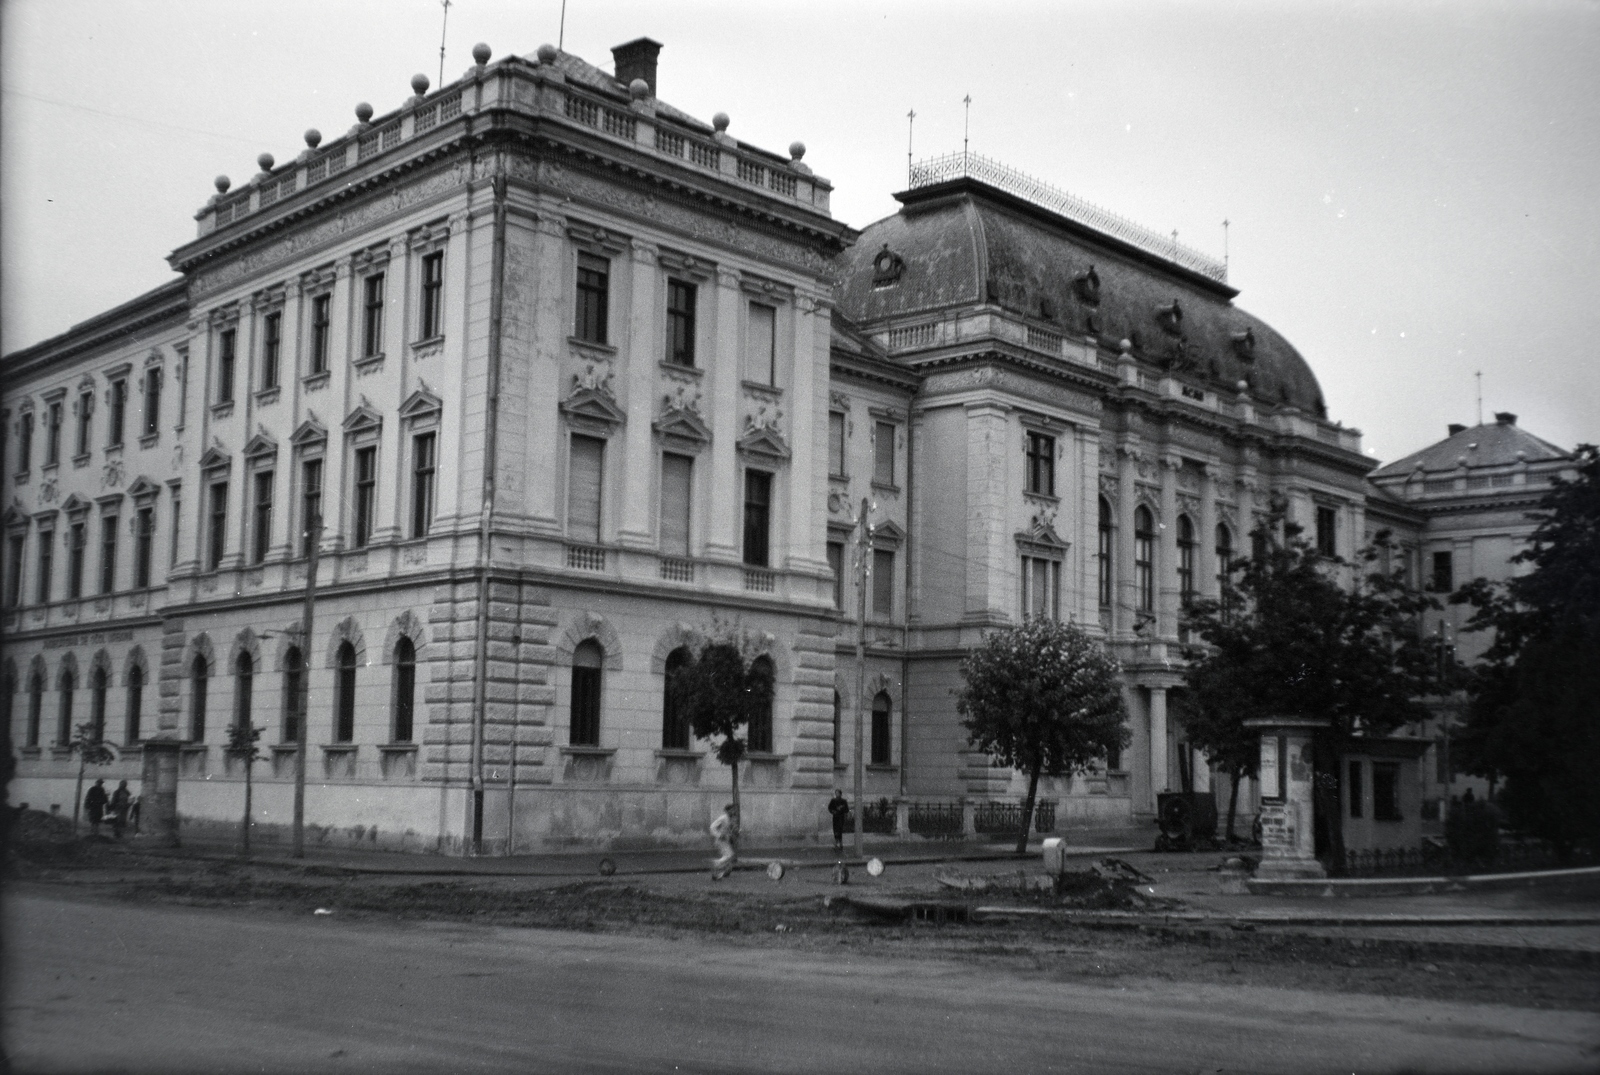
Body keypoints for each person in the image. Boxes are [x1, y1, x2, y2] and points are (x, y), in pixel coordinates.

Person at [710, 803, 737, 880]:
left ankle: (726, 871)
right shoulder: (723, 818)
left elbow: (729, 829)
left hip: (725, 840)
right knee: (728, 856)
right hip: (721, 841)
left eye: (734, 810)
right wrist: (719, 835)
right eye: (732, 810)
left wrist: (733, 833)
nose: (733, 811)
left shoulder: (729, 818)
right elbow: (712, 827)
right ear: (727, 811)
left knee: (730, 856)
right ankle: (716, 866)